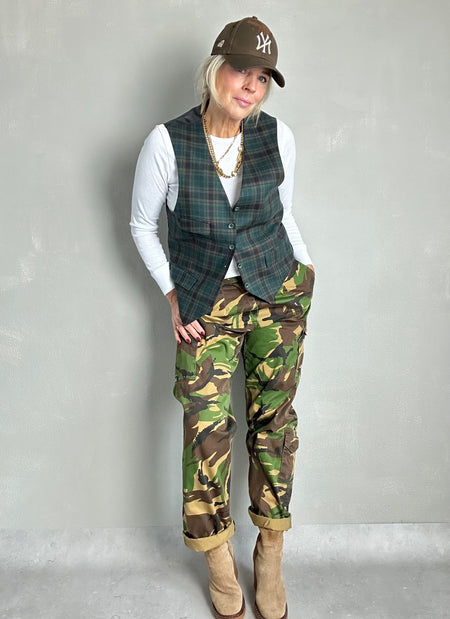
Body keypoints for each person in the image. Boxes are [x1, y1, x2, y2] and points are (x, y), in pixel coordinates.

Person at [131, 16, 315, 619]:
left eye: (262, 78)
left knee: (274, 425)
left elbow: (283, 214)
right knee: (206, 430)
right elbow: (142, 225)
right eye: (241, 71)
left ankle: (270, 552)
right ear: (215, 70)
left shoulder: (277, 136)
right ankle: (216, 558)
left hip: (277, 292)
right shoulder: (168, 142)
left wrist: (306, 276)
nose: (251, 87)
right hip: (205, 301)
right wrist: (174, 296)